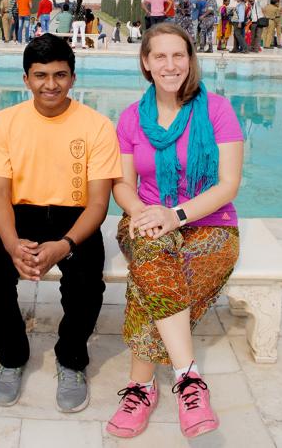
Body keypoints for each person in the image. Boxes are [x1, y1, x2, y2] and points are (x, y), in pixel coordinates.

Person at [106, 23, 243, 440]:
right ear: (146, 63)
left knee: (150, 284)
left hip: (209, 223)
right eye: (160, 56)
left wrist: (176, 215)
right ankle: (189, 379)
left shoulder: (217, 110)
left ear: (190, 60)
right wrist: (146, 213)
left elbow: (227, 184)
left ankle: (140, 387)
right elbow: (123, 185)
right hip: (146, 220)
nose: (170, 65)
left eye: (178, 55)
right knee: (153, 252)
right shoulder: (131, 118)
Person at [0, 34, 122, 412]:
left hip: (75, 217)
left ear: (73, 77)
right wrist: (11, 244)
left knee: (87, 286)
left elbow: (99, 202)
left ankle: (71, 359)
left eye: (60, 75)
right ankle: (12, 353)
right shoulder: (6, 122)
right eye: (40, 75)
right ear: (26, 79)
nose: (50, 84)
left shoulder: (98, 126)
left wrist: (65, 245)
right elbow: (0, 194)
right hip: (22, 213)